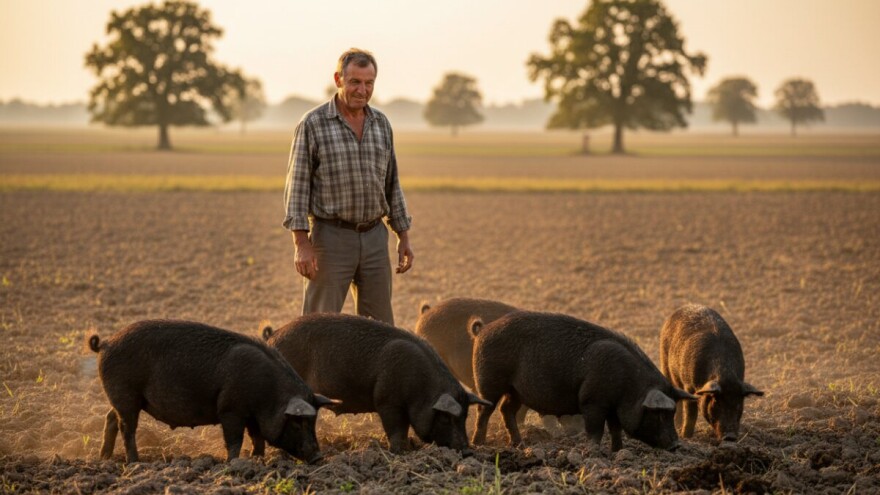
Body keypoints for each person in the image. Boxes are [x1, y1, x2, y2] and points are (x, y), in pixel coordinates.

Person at [283, 48, 413, 326]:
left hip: (375, 238)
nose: (362, 90)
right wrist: (301, 243)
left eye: (369, 83)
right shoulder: (313, 124)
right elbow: (297, 187)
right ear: (338, 79)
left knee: (380, 330)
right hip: (331, 239)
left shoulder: (381, 124)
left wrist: (403, 236)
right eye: (355, 81)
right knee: (319, 326)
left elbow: (392, 183)